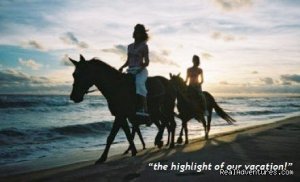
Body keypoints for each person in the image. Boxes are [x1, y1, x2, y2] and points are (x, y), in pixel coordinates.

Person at [119, 24, 150, 117]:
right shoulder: (129, 46)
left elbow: (147, 62)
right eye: (135, 31)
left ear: (142, 34)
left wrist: (141, 67)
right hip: (131, 70)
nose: (136, 33)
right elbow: (128, 61)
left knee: (139, 83)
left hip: (141, 70)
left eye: (138, 31)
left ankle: (145, 109)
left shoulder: (144, 46)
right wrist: (122, 67)